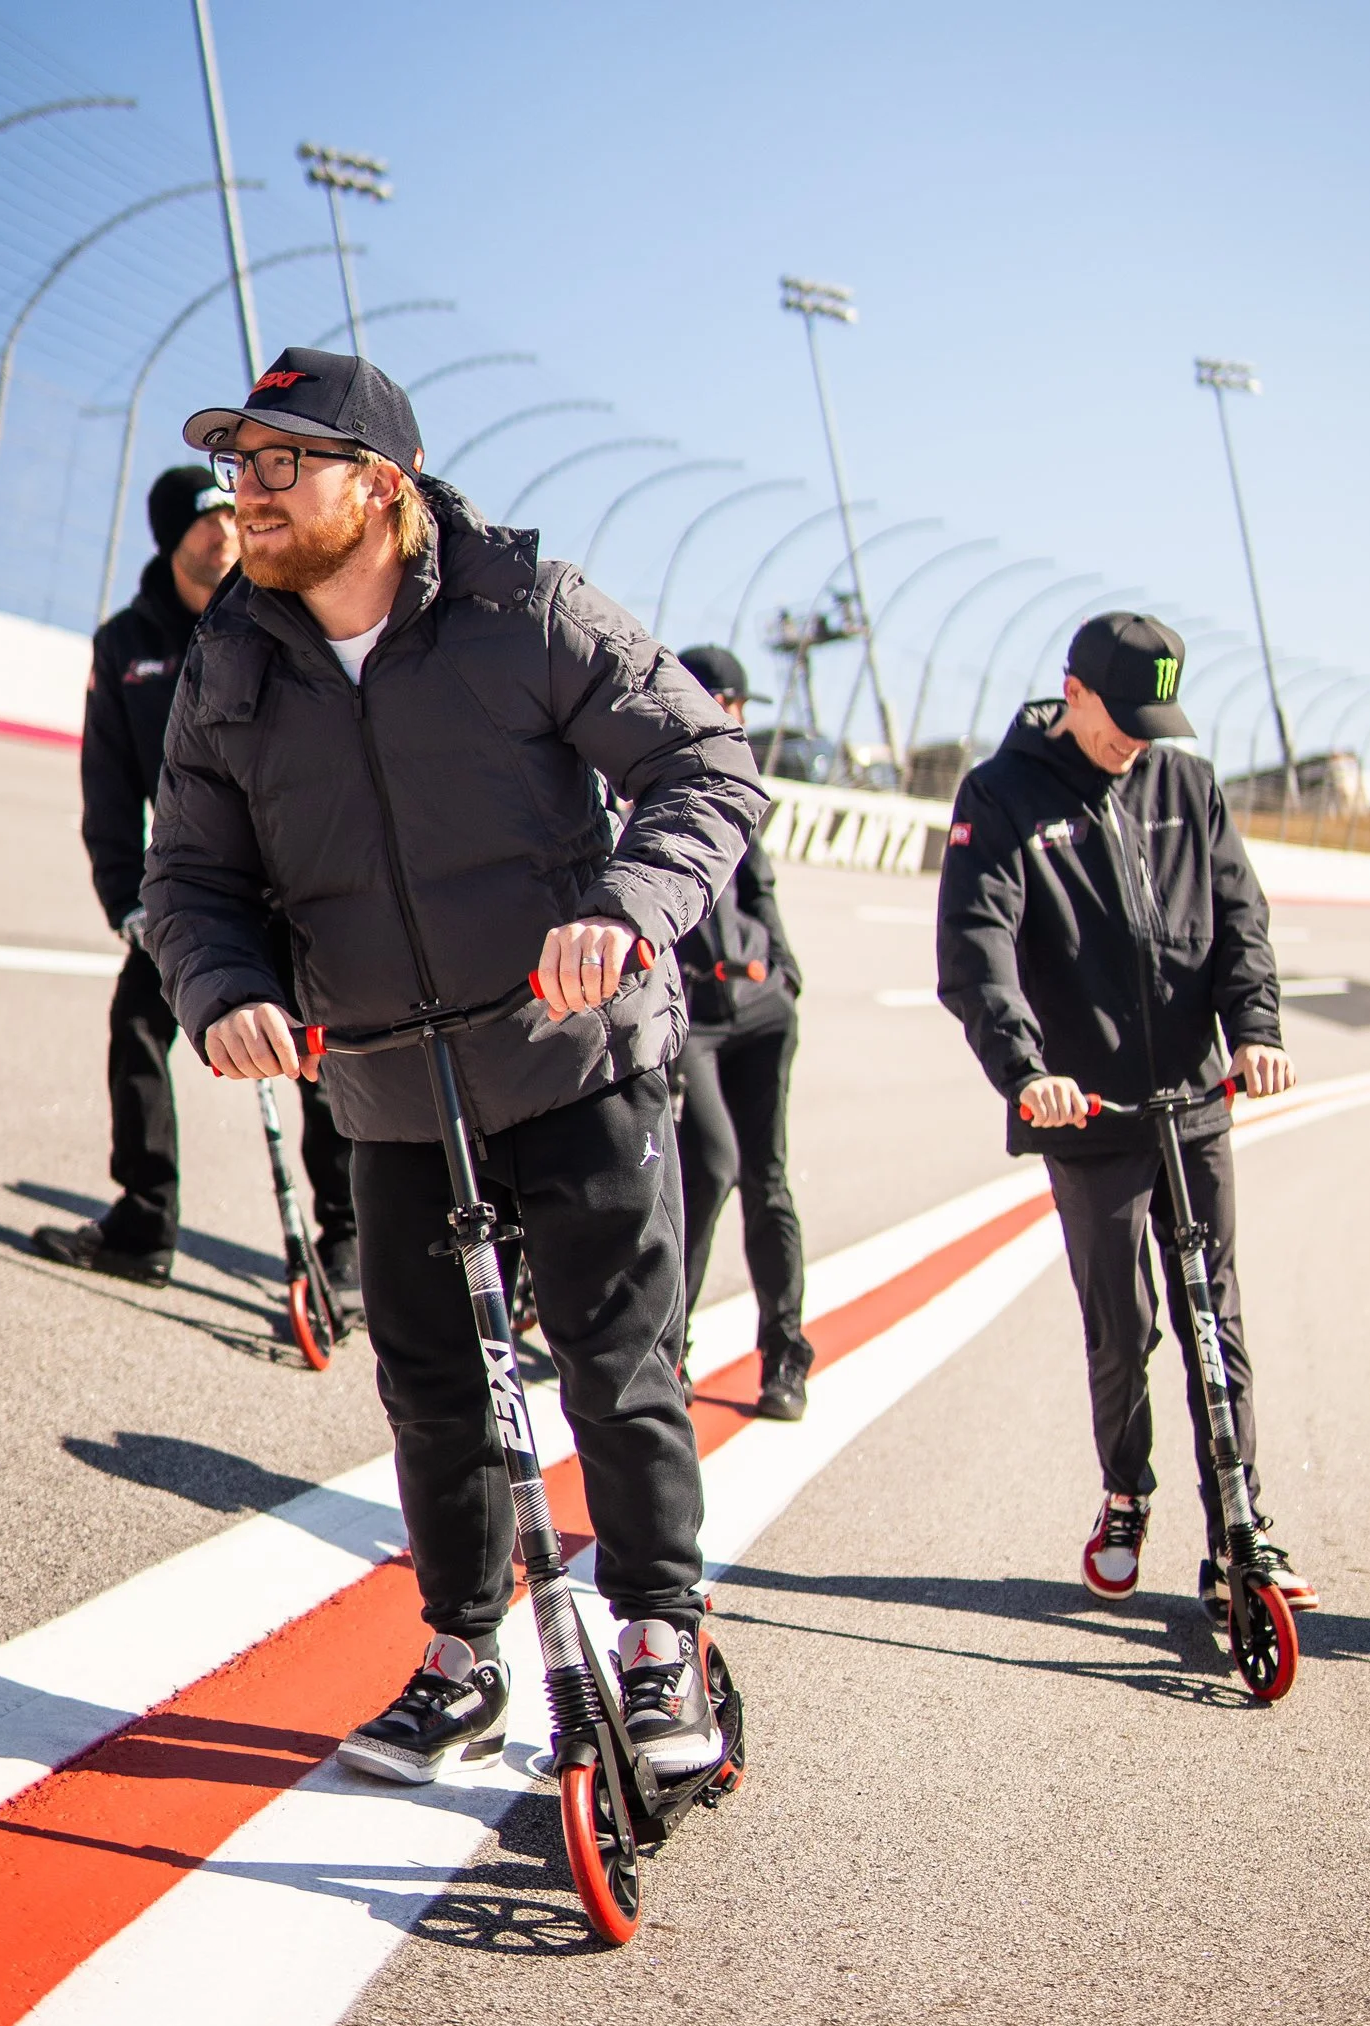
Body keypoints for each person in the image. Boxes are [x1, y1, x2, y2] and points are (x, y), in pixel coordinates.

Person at [141, 348, 765, 1784]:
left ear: (381, 483)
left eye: (283, 462)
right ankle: (463, 1656)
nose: (250, 494)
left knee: (617, 1363)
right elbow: (191, 879)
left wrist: (625, 909)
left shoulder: (521, 607)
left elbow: (703, 766)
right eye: (239, 464)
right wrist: (224, 991)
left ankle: (663, 1639)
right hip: (386, 1083)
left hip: (574, 1052)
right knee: (430, 1388)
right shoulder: (230, 662)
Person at [937, 612, 1316, 1622]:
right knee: (1125, 1323)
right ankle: (1126, 1491)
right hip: (1088, 1111)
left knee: (1213, 1315)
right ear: (1075, 692)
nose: (1138, 743)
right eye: (1123, 721)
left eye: (1156, 724)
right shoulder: (1001, 795)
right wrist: (1026, 1072)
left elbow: (1240, 920)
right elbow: (977, 951)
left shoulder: (1187, 786)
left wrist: (1256, 1031)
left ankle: (1242, 1529)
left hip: (1194, 1098)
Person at [32, 465, 360, 1309]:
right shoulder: (126, 644)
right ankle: (143, 1224)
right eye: (205, 521)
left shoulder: (279, 609)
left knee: (318, 1053)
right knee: (137, 1025)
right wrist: (129, 903)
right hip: (194, 890)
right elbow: (108, 786)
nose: (226, 532)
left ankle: (351, 1245)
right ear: (169, 538)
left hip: (293, 881)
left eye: (231, 517)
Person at [670, 645, 813, 1422]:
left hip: (761, 1008)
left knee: (768, 1179)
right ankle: (672, 1348)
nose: (738, 719)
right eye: (730, 704)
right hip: (693, 1016)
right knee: (711, 1165)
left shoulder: (740, 779)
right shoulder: (642, 775)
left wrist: (785, 972)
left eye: (741, 708)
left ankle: (785, 1356)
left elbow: (760, 890)